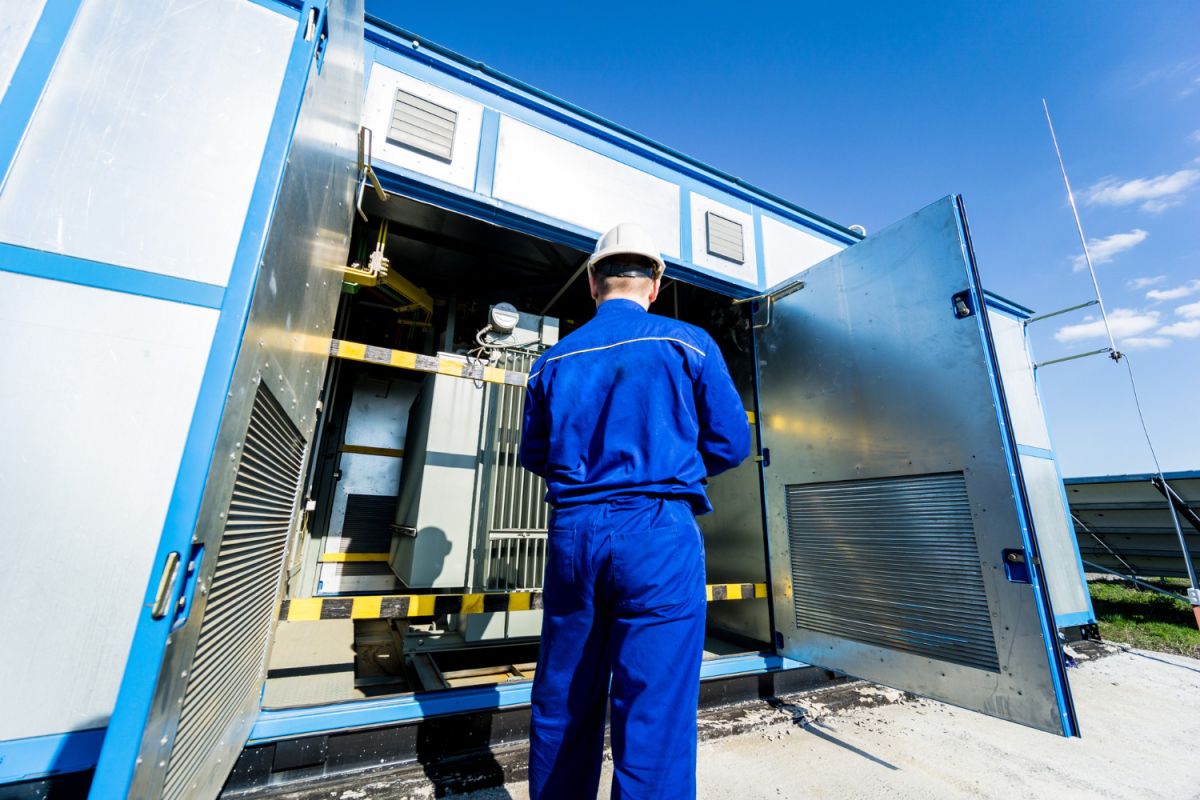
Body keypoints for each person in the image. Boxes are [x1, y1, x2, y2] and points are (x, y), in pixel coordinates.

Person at [519, 222, 751, 799]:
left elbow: (536, 455)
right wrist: (669, 464)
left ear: (592, 283)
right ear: (655, 284)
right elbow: (731, 443)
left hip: (574, 535)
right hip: (658, 531)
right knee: (654, 707)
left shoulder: (552, 361)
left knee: (563, 698)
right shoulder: (688, 343)